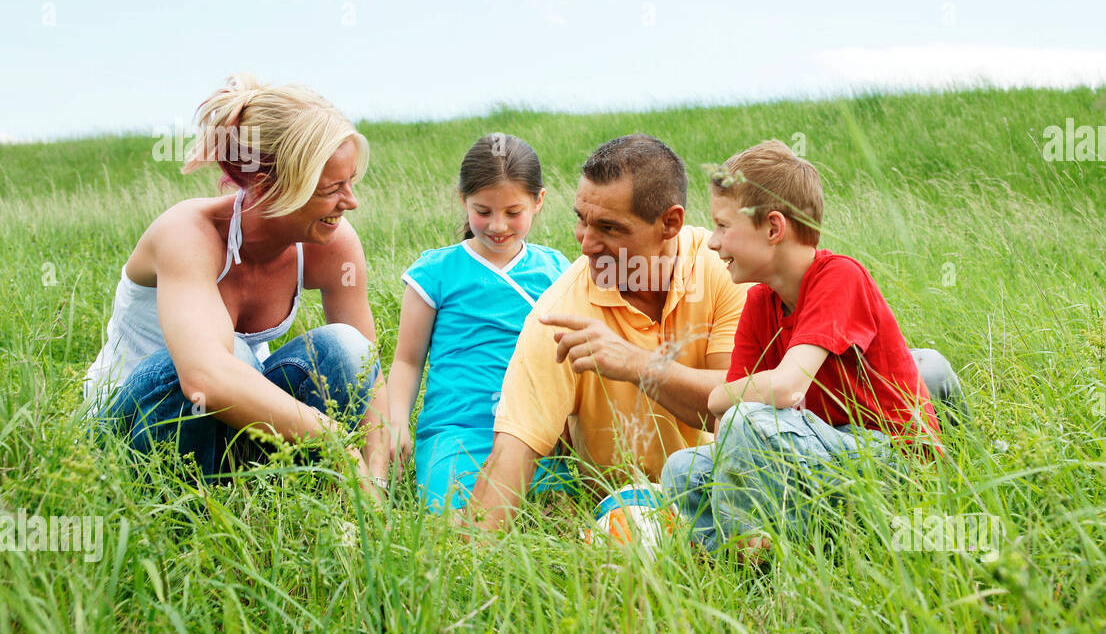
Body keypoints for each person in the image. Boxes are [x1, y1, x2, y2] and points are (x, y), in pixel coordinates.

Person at [86, 74, 389, 502]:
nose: (351, 201)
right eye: (331, 189)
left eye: (351, 182)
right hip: (129, 431)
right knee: (233, 358)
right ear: (269, 187)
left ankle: (269, 500)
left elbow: (366, 374)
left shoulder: (333, 243)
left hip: (236, 425)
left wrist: (375, 471)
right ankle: (182, 515)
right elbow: (204, 378)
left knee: (347, 348)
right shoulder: (187, 234)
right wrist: (334, 439)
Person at [661, 139, 966, 556]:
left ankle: (763, 566)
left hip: (894, 461)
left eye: (722, 226)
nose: (712, 242)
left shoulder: (840, 277)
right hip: (819, 455)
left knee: (746, 425)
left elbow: (782, 389)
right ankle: (749, 554)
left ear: (773, 228)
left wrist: (719, 396)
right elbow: (725, 423)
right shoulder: (758, 303)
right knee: (681, 468)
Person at [462, 134, 749, 531]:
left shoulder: (723, 269)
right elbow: (512, 452)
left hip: (716, 491)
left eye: (609, 228)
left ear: (670, 223)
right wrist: (464, 567)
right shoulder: (560, 314)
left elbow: (739, 412)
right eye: (581, 219)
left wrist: (639, 365)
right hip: (619, 513)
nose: (586, 244)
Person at [387, 134, 570, 512]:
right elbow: (407, 360)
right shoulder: (435, 272)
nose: (497, 225)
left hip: (533, 431)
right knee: (454, 513)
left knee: (563, 506)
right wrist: (397, 421)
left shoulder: (555, 270)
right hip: (456, 431)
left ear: (539, 201)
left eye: (513, 212)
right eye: (483, 211)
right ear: (462, 200)